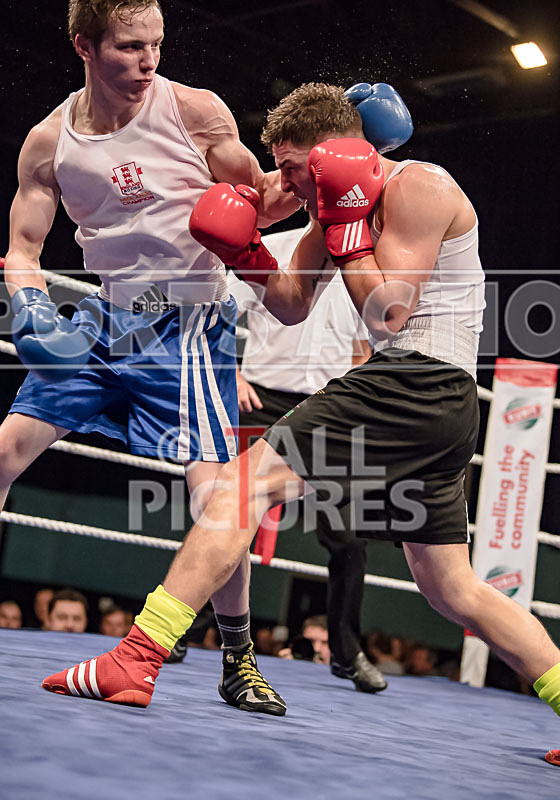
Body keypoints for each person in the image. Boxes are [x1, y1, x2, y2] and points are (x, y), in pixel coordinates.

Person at [42, 80, 560, 742]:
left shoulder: (419, 187)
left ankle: (136, 660)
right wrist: (246, 251)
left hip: (416, 378)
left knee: (237, 490)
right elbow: (290, 302)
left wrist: (345, 225)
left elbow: (389, 310)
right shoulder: (330, 212)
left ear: (331, 153)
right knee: (451, 589)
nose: (280, 186)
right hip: (433, 404)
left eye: (290, 168)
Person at [2, 0, 299, 715]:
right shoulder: (50, 143)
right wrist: (29, 303)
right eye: (131, 47)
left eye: (157, 44)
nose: (149, 62)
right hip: (107, 320)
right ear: (84, 45)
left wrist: (302, 188)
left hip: (189, 327)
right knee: (6, 448)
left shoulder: (195, 112)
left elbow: (257, 204)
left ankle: (238, 657)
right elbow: (22, 248)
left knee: (216, 495)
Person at [230, 226, 386, 692]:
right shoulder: (273, 248)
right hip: (265, 399)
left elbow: (366, 349)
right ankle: (183, 627)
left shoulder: (363, 266)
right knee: (228, 518)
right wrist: (230, 373)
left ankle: (345, 650)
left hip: (332, 407)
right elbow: (218, 314)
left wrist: (356, 402)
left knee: (349, 536)